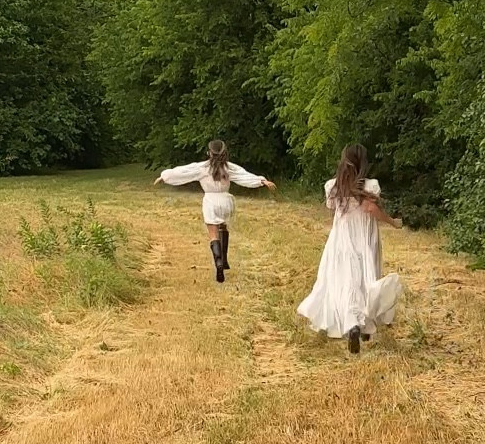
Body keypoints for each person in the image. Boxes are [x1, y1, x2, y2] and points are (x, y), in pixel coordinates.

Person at [298, 144, 404, 353]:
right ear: (363, 162)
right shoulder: (371, 186)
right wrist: (392, 222)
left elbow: (332, 208)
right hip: (364, 238)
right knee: (366, 278)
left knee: (345, 281)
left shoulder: (333, 185)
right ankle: (363, 324)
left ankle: (352, 323)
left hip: (341, 239)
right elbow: (371, 208)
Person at [156, 140, 275, 282]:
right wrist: (261, 181)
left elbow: (183, 172)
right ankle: (224, 260)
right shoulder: (229, 167)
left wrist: (164, 176)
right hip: (226, 201)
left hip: (211, 201)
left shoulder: (202, 168)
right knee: (223, 227)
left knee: (213, 234)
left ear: (209, 153)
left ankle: (218, 262)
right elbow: (243, 175)